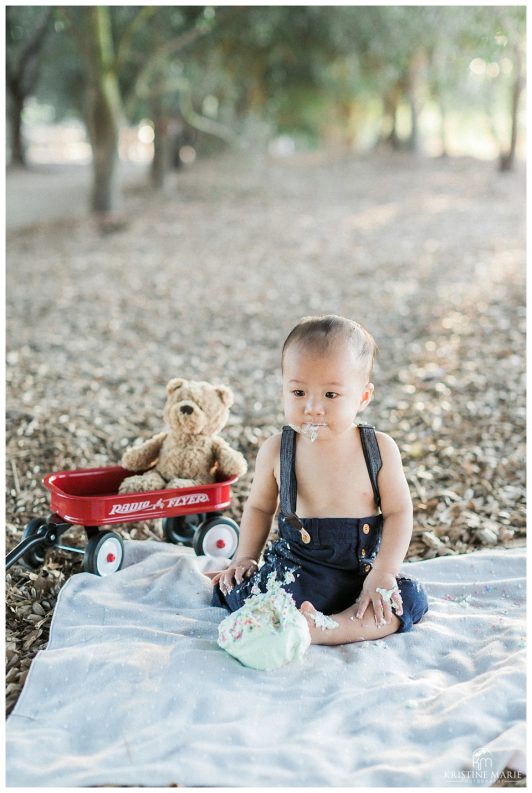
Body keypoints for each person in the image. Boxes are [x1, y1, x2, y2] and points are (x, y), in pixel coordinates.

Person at [211, 315, 428, 645]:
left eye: (331, 395)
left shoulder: (378, 449)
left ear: (363, 397)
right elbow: (258, 508)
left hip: (361, 576)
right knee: (251, 594)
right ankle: (303, 619)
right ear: (283, 388)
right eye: (298, 392)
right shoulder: (277, 450)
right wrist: (244, 558)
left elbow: (399, 512)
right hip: (298, 572)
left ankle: (332, 628)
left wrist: (384, 572)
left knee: (410, 598)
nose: (313, 408)